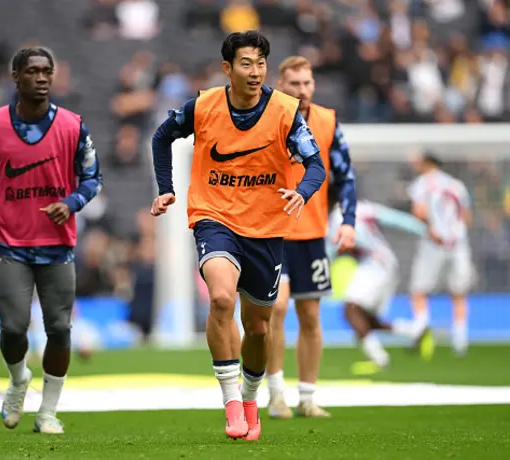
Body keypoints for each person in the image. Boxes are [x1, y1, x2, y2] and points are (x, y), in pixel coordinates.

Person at [150, 31, 326, 440]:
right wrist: (165, 186)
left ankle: (251, 397)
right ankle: (232, 402)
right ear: (227, 68)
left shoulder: (285, 111)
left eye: (261, 63)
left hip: (266, 227)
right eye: (246, 63)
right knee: (221, 297)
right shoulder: (204, 105)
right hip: (215, 217)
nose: (255, 71)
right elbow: (162, 136)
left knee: (260, 328)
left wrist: (301, 192)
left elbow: (315, 164)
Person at [0, 47, 102, 434]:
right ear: (16, 77)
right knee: (12, 328)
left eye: (47, 71)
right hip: (9, 242)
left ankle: (47, 412)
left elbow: (93, 178)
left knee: (59, 330)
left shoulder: (73, 126)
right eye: (32, 71)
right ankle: (18, 380)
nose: (42, 78)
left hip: (57, 245)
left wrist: (71, 202)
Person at [265, 56, 357, 419]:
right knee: (276, 307)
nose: (302, 90)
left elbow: (345, 176)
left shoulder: (328, 121)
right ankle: (275, 394)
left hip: (312, 232)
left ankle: (306, 397)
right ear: (281, 85)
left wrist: (347, 220)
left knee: (310, 315)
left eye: (307, 83)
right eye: (294, 84)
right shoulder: (266, 117)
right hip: (272, 232)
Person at [328, 197, 433, 375]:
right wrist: (423, 228)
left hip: (374, 264)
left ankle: (380, 359)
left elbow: (333, 249)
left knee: (350, 311)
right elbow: (394, 218)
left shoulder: (335, 220)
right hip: (386, 262)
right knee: (367, 320)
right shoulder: (362, 207)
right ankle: (415, 331)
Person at [407, 152, 473, 356]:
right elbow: (467, 216)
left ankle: (422, 333)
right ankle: (460, 341)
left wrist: (433, 229)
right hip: (458, 243)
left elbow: (419, 211)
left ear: (427, 163)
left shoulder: (422, 183)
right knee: (459, 293)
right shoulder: (456, 185)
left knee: (419, 291)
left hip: (433, 242)